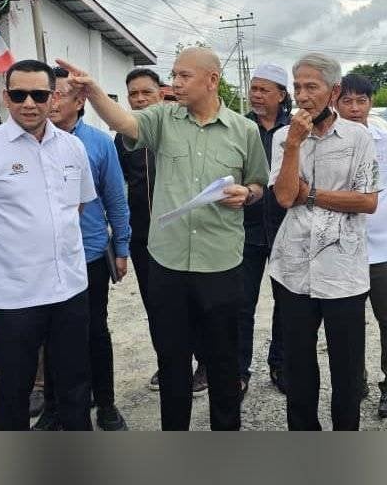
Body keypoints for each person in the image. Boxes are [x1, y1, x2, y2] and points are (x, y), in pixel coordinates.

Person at [58, 48, 269, 431]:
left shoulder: (245, 130)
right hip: (168, 263)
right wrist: (93, 92)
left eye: (184, 76)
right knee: (172, 360)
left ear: (211, 80)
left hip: (220, 261)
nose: (175, 83)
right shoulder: (162, 119)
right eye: (174, 75)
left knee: (223, 362)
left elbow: (258, 182)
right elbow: (124, 122)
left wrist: (247, 193)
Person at [0, 60, 97, 431]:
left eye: (39, 94)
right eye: (18, 94)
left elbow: (74, 207)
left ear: (53, 97)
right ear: (5, 97)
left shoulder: (73, 148)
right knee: (14, 391)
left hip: (70, 290)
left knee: (75, 387)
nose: (29, 103)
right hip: (14, 299)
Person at [270, 53, 378, 431]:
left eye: (311, 87)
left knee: (347, 369)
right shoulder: (284, 137)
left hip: (343, 270)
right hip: (292, 269)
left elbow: (367, 201)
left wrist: (311, 194)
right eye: (297, 86)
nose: (302, 95)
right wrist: (294, 146)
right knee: (298, 366)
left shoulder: (358, 137)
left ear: (333, 92)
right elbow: (284, 197)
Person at [31, 66, 132, 432]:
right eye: (49, 94)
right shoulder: (31, 142)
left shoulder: (99, 143)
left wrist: (121, 246)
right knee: (49, 335)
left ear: (80, 100)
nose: (51, 102)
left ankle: (105, 403)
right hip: (43, 257)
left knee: (94, 331)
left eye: (58, 94)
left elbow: (116, 200)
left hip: (88, 254)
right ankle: (55, 406)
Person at [114, 68, 209, 398]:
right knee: (157, 304)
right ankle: (170, 361)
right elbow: (119, 186)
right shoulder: (123, 137)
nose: (139, 100)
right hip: (143, 236)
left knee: (193, 302)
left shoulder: (179, 128)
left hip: (184, 232)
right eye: (133, 94)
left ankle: (204, 362)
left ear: (162, 93)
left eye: (146, 93)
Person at [336, 74, 387, 419]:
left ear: (370, 103)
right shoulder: (327, 142)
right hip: (343, 251)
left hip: (385, 250)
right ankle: (356, 381)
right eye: (348, 101)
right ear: (336, 103)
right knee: (347, 325)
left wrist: (381, 217)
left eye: (361, 101)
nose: (354, 108)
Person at [239, 63, 291, 398]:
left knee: (287, 303)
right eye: (253, 89)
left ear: (282, 95)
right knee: (241, 303)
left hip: (288, 228)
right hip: (246, 229)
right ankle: (238, 370)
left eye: (264, 90)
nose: (256, 95)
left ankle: (281, 364)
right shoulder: (239, 127)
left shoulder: (296, 127)